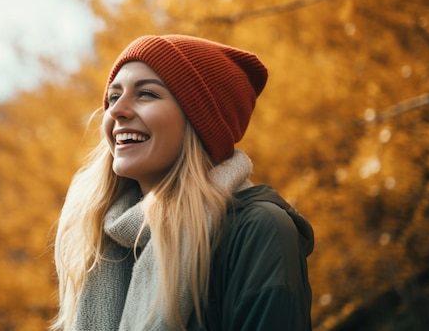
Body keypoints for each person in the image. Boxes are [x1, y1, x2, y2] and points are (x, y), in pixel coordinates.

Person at [53, 34, 314, 331]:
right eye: (113, 97)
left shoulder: (258, 230)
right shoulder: (106, 246)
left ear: (200, 121)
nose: (116, 110)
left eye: (146, 94)